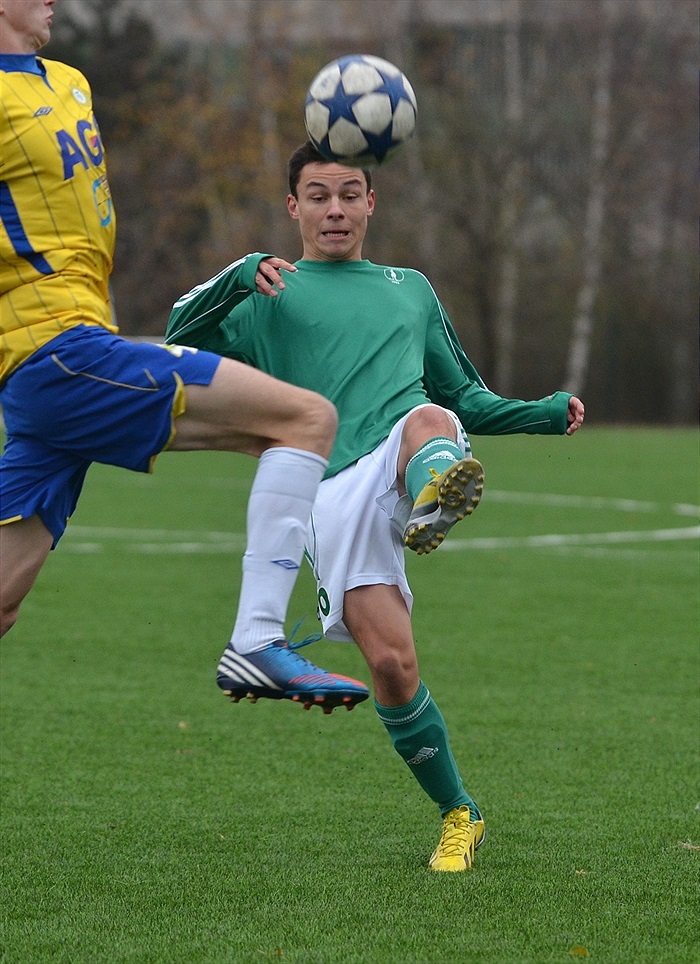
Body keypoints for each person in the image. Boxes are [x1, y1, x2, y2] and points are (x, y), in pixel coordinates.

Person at [166, 143, 585, 871]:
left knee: (429, 421)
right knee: (391, 663)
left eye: (350, 194)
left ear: (371, 203)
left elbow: (465, 397)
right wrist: (236, 280)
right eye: (319, 196)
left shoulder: (409, 288)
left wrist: (543, 414)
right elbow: (177, 338)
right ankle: (461, 811)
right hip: (328, 488)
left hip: (405, 441)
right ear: (294, 206)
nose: (336, 210)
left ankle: (436, 492)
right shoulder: (270, 290)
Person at [0, 0, 371, 713]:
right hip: (57, 355)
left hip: (63, 363)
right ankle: (258, 641)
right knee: (305, 419)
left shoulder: (68, 82)